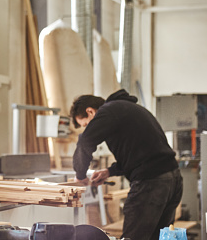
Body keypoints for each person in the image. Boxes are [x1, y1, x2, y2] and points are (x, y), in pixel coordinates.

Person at [70, 89, 183, 240]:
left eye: (85, 124)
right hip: (172, 180)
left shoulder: (108, 111)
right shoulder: (128, 109)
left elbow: (85, 142)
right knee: (159, 237)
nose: (88, 128)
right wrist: (109, 172)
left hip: (151, 183)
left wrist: (80, 176)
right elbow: (141, 154)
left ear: (90, 112)